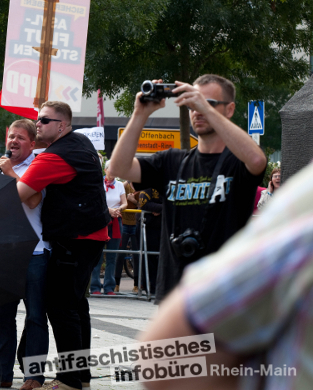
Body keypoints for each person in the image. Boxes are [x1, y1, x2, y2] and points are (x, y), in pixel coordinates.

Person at [139, 161, 313, 390]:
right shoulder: (301, 204)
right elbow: (157, 359)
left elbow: (257, 161)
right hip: (191, 278)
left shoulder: (245, 172)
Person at [108, 74, 267, 303]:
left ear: (229, 109)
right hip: (175, 293)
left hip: (226, 295)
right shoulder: (172, 160)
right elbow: (119, 167)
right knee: (176, 342)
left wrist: (203, 106)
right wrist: (140, 113)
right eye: (193, 104)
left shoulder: (237, 162)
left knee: (210, 342)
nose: (198, 110)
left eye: (208, 103)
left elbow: (257, 160)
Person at [16, 101, 111, 390]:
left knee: (62, 307)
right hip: (91, 236)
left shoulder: (55, 157)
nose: (38, 124)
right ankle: (80, 376)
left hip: (75, 239)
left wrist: (8, 171)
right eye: (37, 119)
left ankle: (69, 380)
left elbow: (20, 193)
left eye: (44, 120)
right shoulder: (80, 142)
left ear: (62, 125)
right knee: (76, 306)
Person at [0, 119, 50, 390]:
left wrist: (12, 171)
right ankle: (0, 374)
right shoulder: (1, 170)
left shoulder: (37, 166)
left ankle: (34, 377)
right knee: (1, 316)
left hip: (34, 252)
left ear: (32, 144)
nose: (13, 141)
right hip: (4, 253)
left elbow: (34, 199)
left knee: (35, 316)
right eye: (11, 136)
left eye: (20, 138)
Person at [90, 164, 126, 295]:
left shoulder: (120, 185)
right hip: (101, 220)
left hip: (116, 221)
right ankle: (94, 286)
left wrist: (118, 210)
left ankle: (109, 287)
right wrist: (108, 210)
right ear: (105, 170)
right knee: (97, 255)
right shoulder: (98, 183)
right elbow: (95, 200)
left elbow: (124, 202)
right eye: (110, 169)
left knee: (112, 255)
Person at [116, 180, 139, 293]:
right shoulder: (124, 186)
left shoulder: (141, 188)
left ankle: (136, 284)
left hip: (135, 223)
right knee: (120, 254)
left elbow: (143, 205)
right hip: (124, 222)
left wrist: (133, 200)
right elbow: (118, 191)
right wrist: (127, 181)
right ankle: (116, 284)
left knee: (136, 255)